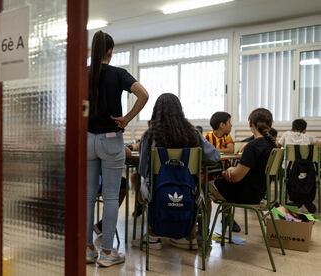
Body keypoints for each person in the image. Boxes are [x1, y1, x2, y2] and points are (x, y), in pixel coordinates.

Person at [86, 31, 148, 267]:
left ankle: (88, 249)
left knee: (88, 196)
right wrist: (127, 118)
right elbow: (143, 94)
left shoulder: (84, 74)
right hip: (111, 140)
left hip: (87, 140)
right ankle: (108, 252)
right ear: (110, 52)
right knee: (111, 195)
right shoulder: (118, 74)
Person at [132, 93, 220, 250]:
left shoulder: (150, 136)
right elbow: (214, 156)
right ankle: (189, 236)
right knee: (202, 192)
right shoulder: (193, 133)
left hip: (156, 192)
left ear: (155, 111)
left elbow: (143, 168)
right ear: (180, 110)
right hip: (190, 190)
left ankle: (153, 235)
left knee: (139, 181)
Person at [209, 108, 278, 207]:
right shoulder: (272, 145)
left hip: (243, 194)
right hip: (258, 194)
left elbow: (235, 177)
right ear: (270, 125)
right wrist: (234, 169)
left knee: (204, 185)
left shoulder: (253, 146)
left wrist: (224, 173)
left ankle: (197, 222)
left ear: (250, 124)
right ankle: (230, 221)